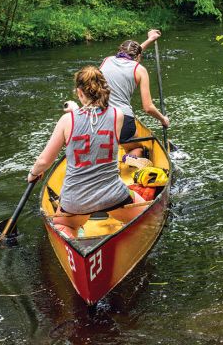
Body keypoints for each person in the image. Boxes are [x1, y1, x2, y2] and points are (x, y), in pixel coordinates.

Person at [28, 66, 146, 238]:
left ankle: (73, 234)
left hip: (75, 202)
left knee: (60, 223)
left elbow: (44, 162)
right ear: (104, 89)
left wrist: (33, 174)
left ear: (79, 92)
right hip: (113, 196)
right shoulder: (117, 115)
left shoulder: (66, 120)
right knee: (145, 208)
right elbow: (96, 129)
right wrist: (78, 111)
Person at [100, 29, 169, 157]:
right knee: (139, 150)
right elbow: (148, 108)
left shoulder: (107, 60)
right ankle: (130, 157)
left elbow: (133, 55)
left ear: (120, 52)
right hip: (124, 120)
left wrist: (149, 40)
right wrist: (163, 119)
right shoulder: (139, 70)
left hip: (99, 118)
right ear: (137, 56)